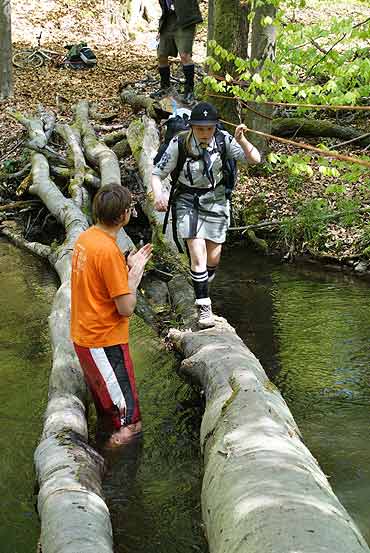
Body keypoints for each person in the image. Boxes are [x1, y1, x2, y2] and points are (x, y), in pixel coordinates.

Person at [151, 101, 261, 328]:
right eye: (200, 128)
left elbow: (255, 159)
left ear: (215, 127)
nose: (204, 133)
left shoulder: (223, 140)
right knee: (197, 252)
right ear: (192, 126)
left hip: (217, 201)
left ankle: (200, 289)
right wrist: (159, 193)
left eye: (208, 128)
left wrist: (241, 140)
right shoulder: (179, 143)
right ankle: (204, 309)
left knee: (214, 257)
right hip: (187, 200)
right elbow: (156, 173)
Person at [70, 185, 152, 447]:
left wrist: (123, 269)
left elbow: (98, 284)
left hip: (85, 337)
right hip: (104, 343)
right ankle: (108, 473)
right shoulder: (108, 251)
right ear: (124, 215)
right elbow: (126, 308)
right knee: (129, 424)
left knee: (109, 414)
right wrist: (135, 274)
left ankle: (100, 450)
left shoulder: (86, 238)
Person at [152, 0, 203, 103]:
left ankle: (189, 90)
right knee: (162, 55)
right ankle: (165, 88)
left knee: (185, 55)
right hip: (168, 21)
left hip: (185, 20)